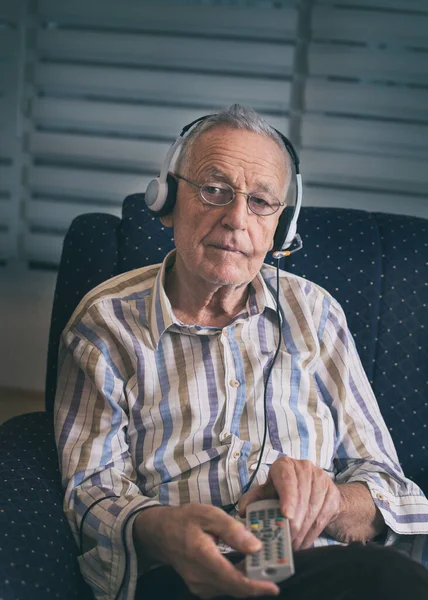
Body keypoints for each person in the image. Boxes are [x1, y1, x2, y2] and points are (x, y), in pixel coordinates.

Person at [54, 105, 428, 600]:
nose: (236, 219)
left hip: (318, 572)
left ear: (283, 226)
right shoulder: (105, 324)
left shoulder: (316, 314)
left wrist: (330, 501)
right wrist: (161, 530)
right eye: (214, 190)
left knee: (391, 582)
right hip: (183, 578)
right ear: (166, 200)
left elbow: (391, 487)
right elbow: (90, 489)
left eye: (261, 201)